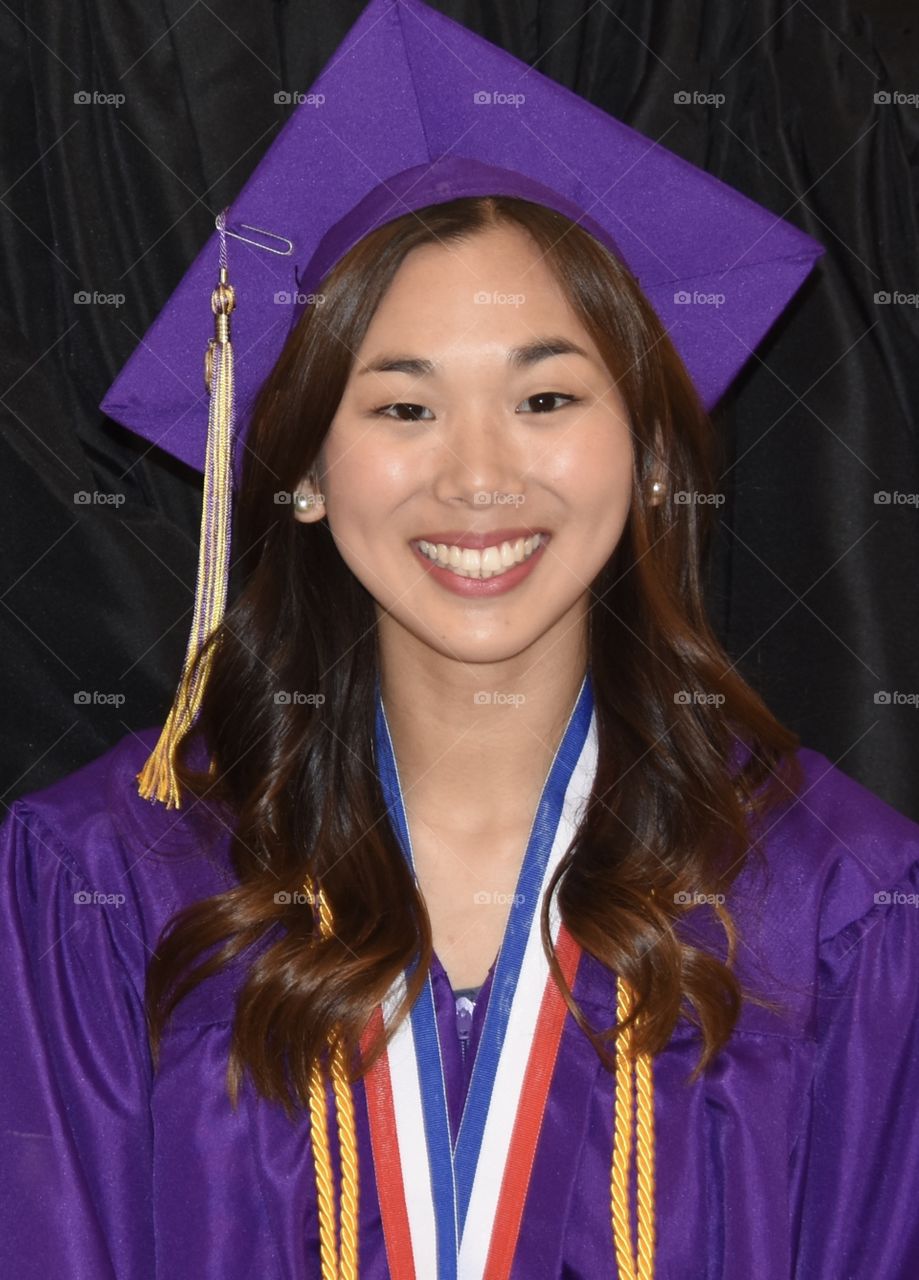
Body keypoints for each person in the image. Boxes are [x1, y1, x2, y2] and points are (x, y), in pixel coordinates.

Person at [2, 1, 918, 1277]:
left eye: (544, 396)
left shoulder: (832, 903)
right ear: (302, 469)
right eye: (403, 406)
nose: (478, 476)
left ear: (650, 455)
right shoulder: (112, 885)